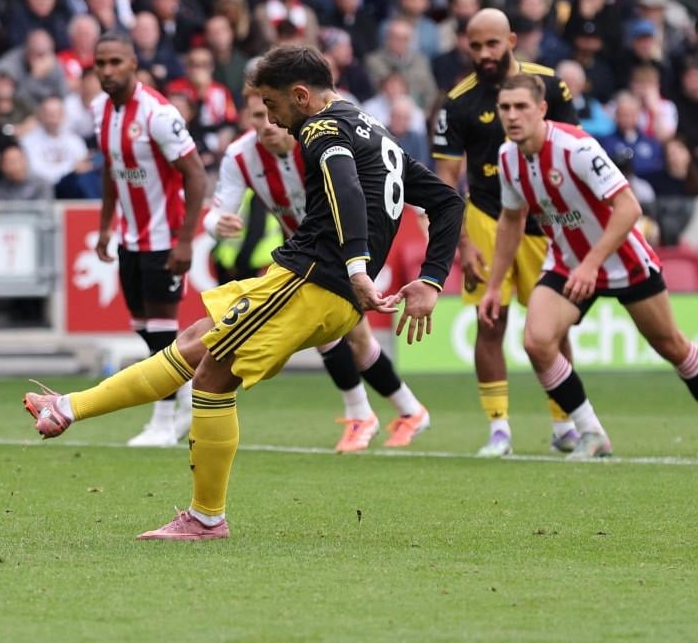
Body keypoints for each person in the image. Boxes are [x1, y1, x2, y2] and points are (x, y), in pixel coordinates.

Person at [23, 45, 462, 539]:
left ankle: (205, 516)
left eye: (272, 105)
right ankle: (70, 408)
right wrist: (431, 278)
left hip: (310, 281)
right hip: (309, 283)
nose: (270, 119)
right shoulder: (371, 128)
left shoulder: (320, 129)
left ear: (300, 95)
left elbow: (347, 189)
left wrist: (358, 265)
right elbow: (447, 202)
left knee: (211, 376)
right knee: (196, 342)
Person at [478, 75, 698, 459]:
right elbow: (512, 221)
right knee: (537, 342)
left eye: (521, 107)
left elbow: (629, 207)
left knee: (670, 344)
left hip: (622, 259)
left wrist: (591, 265)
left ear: (541, 109)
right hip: (568, 261)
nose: (512, 116)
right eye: (505, 108)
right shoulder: (507, 158)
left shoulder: (576, 148)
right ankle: (591, 432)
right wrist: (495, 286)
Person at [204, 90, 431, 452]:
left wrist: (420, 206)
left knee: (339, 335)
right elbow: (217, 212)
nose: (266, 125)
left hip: (346, 247)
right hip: (304, 254)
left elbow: (375, 169)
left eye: (269, 113)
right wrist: (216, 223)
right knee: (351, 338)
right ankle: (405, 410)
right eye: (256, 116)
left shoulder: (317, 138)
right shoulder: (239, 156)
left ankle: (369, 414)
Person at [432, 8, 581, 458]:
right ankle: (499, 428)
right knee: (490, 322)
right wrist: (461, 244)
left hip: (544, 223)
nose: (484, 54)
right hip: (487, 219)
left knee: (552, 328)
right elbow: (445, 181)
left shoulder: (550, 85)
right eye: (475, 45)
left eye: (492, 44)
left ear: (511, 40)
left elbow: (575, 152)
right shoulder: (457, 102)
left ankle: (564, 423)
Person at [90, 33, 207, 448]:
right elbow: (111, 169)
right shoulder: (100, 110)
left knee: (160, 330)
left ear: (134, 64)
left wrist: (186, 240)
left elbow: (196, 174)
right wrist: (106, 225)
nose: (107, 71)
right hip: (130, 236)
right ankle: (189, 395)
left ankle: (163, 421)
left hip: (165, 236)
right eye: (100, 63)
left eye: (115, 62)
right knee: (144, 327)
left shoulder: (159, 114)